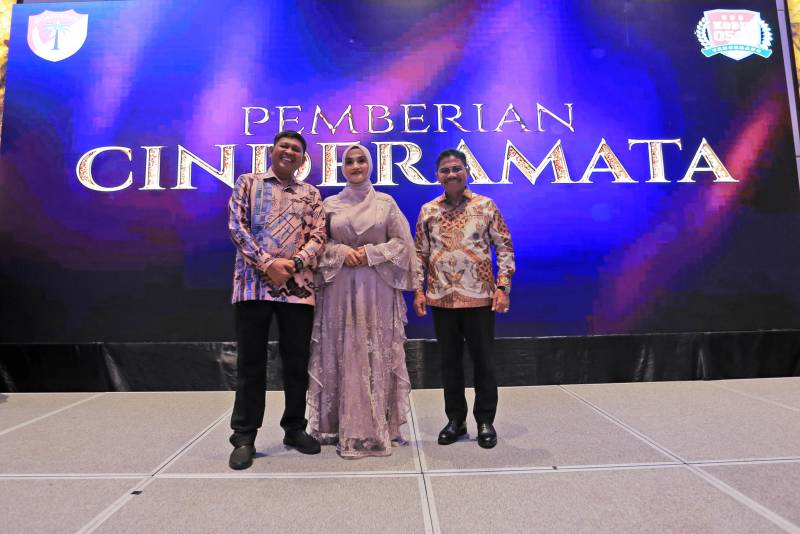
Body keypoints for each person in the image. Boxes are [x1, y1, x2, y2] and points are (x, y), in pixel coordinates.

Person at [307, 143, 415, 458]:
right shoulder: (329, 204)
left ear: (370, 165)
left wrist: (370, 253)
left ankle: (378, 426)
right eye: (350, 162)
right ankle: (337, 426)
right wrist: (341, 251)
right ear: (343, 168)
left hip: (376, 287)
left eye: (361, 161)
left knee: (375, 349)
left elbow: (402, 244)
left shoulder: (385, 203)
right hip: (339, 287)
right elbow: (317, 243)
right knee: (341, 349)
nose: (356, 166)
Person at [227, 130, 326, 470]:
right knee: (251, 363)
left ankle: (294, 429)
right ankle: (244, 436)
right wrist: (268, 263)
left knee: (296, 362)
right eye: (284, 146)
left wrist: (294, 264)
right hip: (252, 286)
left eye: (296, 149)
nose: (289, 152)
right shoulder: (248, 183)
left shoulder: (310, 193)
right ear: (272, 151)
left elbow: (319, 236)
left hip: (297, 289)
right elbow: (237, 227)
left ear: (302, 158)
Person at [413, 148, 514, 449]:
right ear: (437, 176)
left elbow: (505, 247)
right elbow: (419, 254)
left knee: (484, 362)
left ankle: (485, 420)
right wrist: (418, 290)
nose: (451, 174)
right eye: (445, 170)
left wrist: (503, 287)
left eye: (456, 168)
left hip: (480, 297)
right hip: (441, 297)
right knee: (449, 363)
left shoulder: (485, 206)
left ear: (467, 172)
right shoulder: (428, 210)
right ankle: (455, 420)